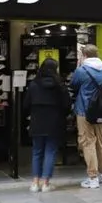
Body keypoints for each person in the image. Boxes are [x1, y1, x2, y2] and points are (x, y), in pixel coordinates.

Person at [24, 58, 69, 193]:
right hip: (54, 122)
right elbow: (67, 105)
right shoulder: (60, 86)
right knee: (50, 151)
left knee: (37, 152)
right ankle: (46, 183)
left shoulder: (33, 84)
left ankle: (34, 182)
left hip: (37, 121)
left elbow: (26, 105)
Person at [70, 44, 102, 189]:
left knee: (88, 143)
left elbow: (73, 85)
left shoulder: (82, 71)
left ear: (84, 56)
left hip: (84, 111)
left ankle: (92, 177)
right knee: (101, 142)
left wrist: (78, 67)